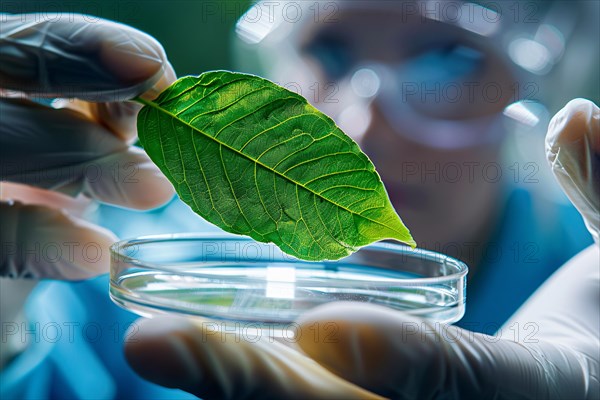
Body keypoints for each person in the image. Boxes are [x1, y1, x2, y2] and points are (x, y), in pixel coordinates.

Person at [0, 1, 597, 399]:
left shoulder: (585, 276)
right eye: (329, 52)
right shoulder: (141, 270)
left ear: (539, 84)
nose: (362, 128)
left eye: (450, 58)